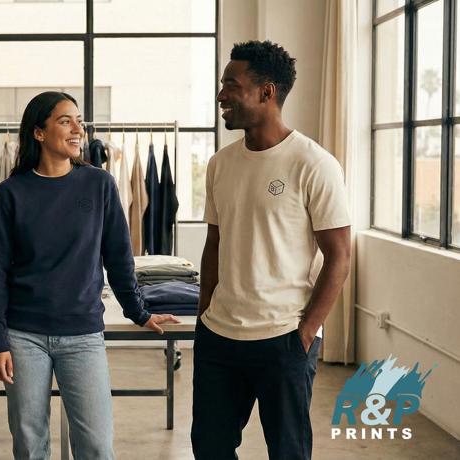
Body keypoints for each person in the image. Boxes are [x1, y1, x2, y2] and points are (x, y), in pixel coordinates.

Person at [0, 91, 180, 460]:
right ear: (39, 133)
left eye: (79, 121)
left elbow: (119, 258)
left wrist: (140, 311)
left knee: (96, 446)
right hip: (23, 335)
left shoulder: (99, 184)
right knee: (29, 444)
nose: (78, 129)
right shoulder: (10, 193)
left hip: (83, 334)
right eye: (65, 121)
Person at [191, 40, 351, 460]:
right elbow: (215, 243)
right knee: (209, 448)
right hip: (219, 336)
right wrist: (204, 316)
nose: (222, 95)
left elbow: (339, 256)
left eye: (232, 84)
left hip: (282, 338)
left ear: (267, 92)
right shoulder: (221, 163)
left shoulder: (314, 164)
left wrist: (306, 333)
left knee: (288, 451)